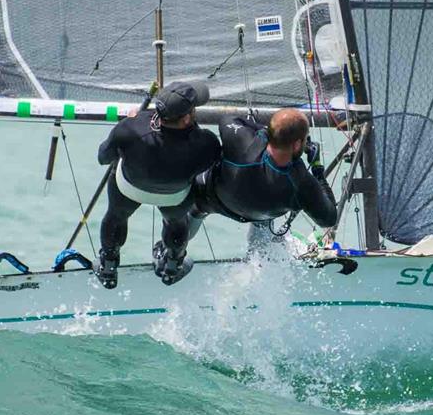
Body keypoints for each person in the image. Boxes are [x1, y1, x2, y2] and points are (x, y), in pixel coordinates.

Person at [96, 81, 220, 287]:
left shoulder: (131, 127)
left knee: (115, 216)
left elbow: (103, 157)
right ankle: (172, 266)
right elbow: (209, 169)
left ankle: (108, 266)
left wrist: (125, 129)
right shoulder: (206, 142)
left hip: (129, 189)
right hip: (174, 196)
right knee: (177, 222)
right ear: (187, 117)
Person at [188, 107, 337, 247]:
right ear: (297, 144)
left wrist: (265, 132)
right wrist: (317, 170)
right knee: (265, 215)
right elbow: (329, 219)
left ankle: (174, 253)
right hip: (260, 214)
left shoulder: (242, 141)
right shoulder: (302, 182)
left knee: (197, 205)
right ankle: (256, 264)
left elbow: (227, 119)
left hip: (214, 199)